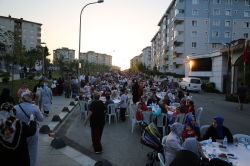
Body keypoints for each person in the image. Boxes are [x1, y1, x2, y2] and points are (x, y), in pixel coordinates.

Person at [15, 91, 44, 166]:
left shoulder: (15, 108)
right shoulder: (34, 107)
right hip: (32, 131)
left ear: (22, 97)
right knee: (33, 151)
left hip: (20, 132)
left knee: (21, 151)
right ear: (29, 97)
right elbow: (41, 119)